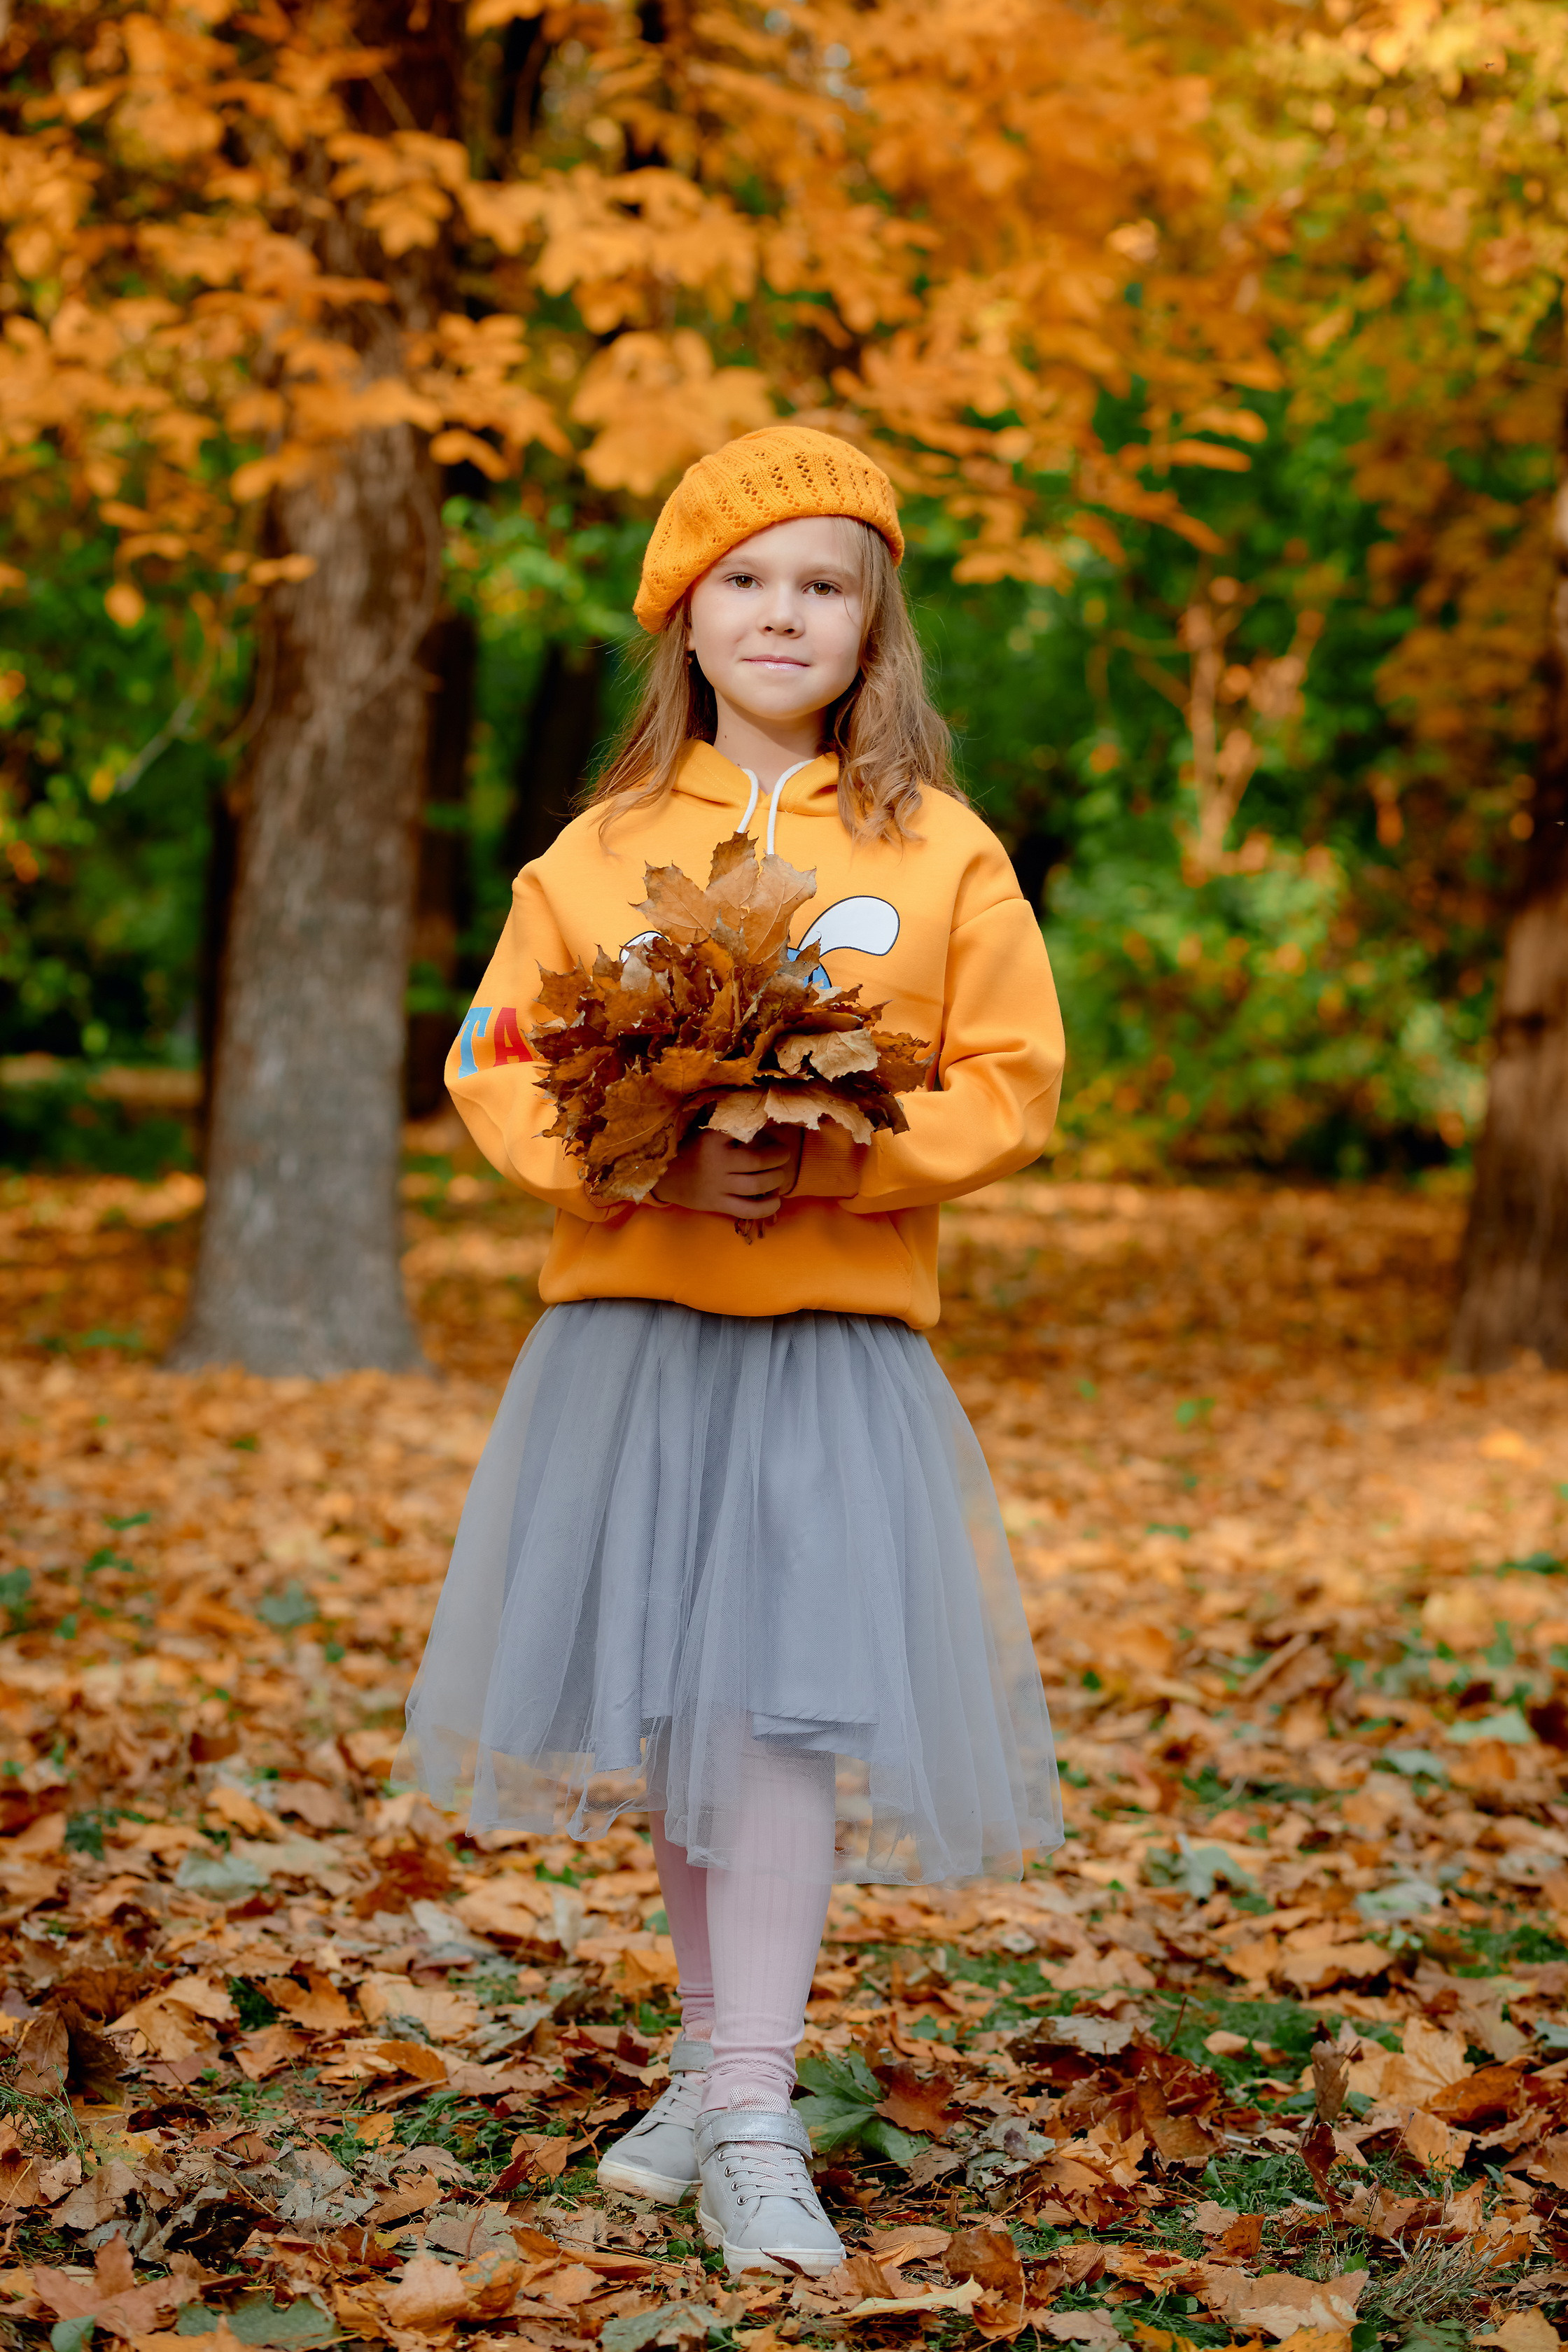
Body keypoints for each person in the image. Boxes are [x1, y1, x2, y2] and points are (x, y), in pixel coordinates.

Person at [398, 425, 1064, 2276]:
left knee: (776, 1719)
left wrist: (858, 1159)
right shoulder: (599, 856)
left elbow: (1018, 1074)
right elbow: (495, 1062)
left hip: (826, 1349)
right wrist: (644, 1153)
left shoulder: (935, 852)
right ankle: (716, 2066)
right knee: (690, 1719)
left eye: (826, 585)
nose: (785, 613)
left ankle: (756, 2108)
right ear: (683, 618)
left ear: (875, 629)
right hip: (632, 1341)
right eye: (747, 580)